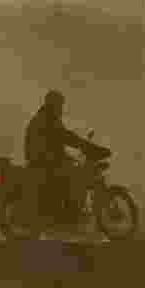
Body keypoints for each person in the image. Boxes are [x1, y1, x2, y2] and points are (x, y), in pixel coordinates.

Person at [24, 90, 102, 225]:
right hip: (42, 160)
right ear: (53, 103)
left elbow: (60, 138)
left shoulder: (48, 117)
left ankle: (69, 211)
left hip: (46, 157)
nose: (61, 107)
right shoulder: (46, 118)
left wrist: (81, 147)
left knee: (73, 167)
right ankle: (66, 212)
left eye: (61, 104)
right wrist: (87, 146)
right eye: (59, 104)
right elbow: (64, 136)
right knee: (74, 175)